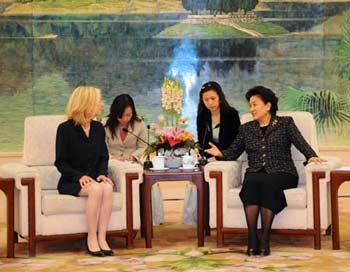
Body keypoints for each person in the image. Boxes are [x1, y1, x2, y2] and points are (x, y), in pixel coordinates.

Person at [205, 86, 325, 256]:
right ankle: (252, 237)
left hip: (283, 172)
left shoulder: (285, 123)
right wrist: (220, 154)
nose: (251, 109)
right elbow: (233, 152)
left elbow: (301, 143)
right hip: (256, 172)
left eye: (255, 105)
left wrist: (311, 156)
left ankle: (265, 237)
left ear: (268, 106)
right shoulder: (246, 128)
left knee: (267, 182)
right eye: (250, 105)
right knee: (252, 181)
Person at [55, 86, 114, 257]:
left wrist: (103, 173)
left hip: (95, 179)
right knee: (96, 188)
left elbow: (104, 156)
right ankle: (91, 238)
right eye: (98, 102)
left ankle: (103, 238)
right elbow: (60, 162)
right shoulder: (64, 129)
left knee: (107, 187)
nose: (101, 105)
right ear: (87, 104)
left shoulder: (98, 128)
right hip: (71, 181)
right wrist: (79, 176)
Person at [183, 81, 241, 226]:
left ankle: (219, 220)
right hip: (209, 158)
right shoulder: (202, 116)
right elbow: (203, 143)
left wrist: (220, 155)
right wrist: (201, 155)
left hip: (229, 156)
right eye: (206, 100)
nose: (210, 102)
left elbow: (237, 142)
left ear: (220, 97)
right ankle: (204, 219)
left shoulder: (231, 114)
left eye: (213, 98)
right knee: (196, 176)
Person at [104, 94, 164, 226]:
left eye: (128, 115)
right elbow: (101, 148)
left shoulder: (138, 124)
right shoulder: (105, 125)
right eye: (121, 115)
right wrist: (111, 157)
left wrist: (134, 156)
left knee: (148, 179)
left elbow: (143, 146)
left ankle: (146, 219)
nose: (125, 119)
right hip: (112, 163)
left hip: (132, 162)